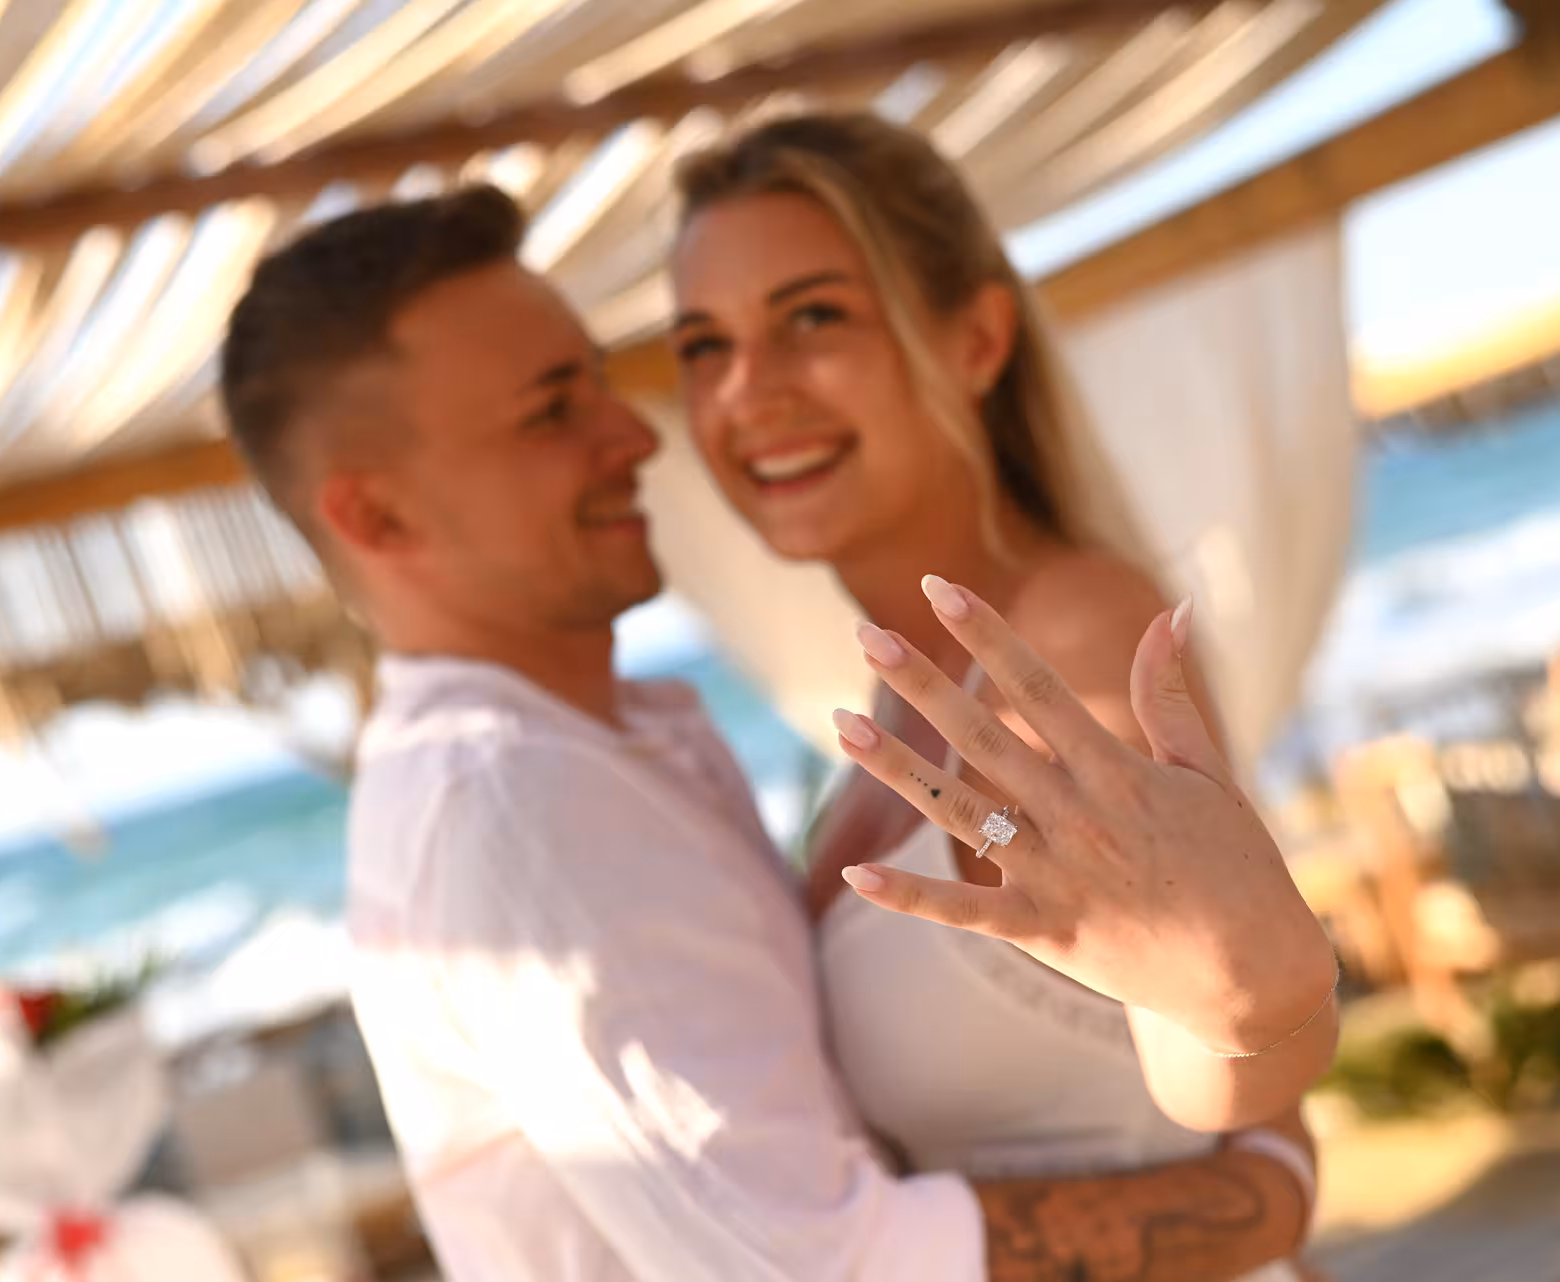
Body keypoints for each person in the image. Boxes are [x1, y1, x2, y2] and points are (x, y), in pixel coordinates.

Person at [218, 184, 1333, 1280]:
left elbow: (1195, 998)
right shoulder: (517, 795)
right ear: (377, 515)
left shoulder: (640, 742)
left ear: (978, 340)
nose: (636, 435)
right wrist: (1262, 1195)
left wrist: (1257, 1042)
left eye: (811, 319)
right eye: (553, 408)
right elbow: (809, 1265)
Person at [668, 111, 1336, 1276]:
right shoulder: (885, 716)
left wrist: (1249, 1002)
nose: (748, 392)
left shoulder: (1071, 633)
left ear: (977, 337)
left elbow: (1224, 1075)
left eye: (812, 317)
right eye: (702, 346)